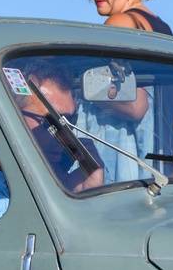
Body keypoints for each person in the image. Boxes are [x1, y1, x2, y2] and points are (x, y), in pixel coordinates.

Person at [75, 0, 173, 177]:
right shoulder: (167, 34)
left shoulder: (120, 24)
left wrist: (74, 85)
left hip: (123, 165)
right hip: (160, 170)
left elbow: (135, 106)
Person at [10, 56, 106, 194]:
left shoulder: (48, 179)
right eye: (54, 121)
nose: (65, 134)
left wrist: (85, 189)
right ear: (13, 115)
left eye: (70, 121)